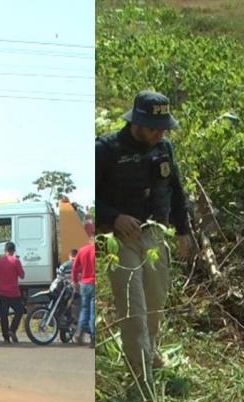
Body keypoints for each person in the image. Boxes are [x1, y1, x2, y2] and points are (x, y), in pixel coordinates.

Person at [96, 90, 194, 379]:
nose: (160, 134)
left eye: (164, 128)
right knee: (134, 310)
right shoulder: (105, 151)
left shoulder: (164, 149)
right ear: (136, 123)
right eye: (154, 128)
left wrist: (183, 231)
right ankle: (141, 376)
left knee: (155, 302)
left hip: (155, 236)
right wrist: (114, 217)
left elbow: (176, 191)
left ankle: (150, 351)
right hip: (121, 241)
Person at [0, 241, 25, 343]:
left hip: (2, 293)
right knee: (19, 311)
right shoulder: (16, 261)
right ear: (13, 251)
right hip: (14, 293)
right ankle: (12, 330)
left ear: (5, 250)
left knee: (3, 315)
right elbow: (22, 276)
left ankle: (6, 336)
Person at [73, 222, 96, 348]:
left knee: (84, 309)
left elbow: (75, 268)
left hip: (84, 284)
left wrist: (75, 281)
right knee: (93, 312)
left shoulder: (82, 250)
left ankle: (80, 333)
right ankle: (93, 338)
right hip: (94, 283)